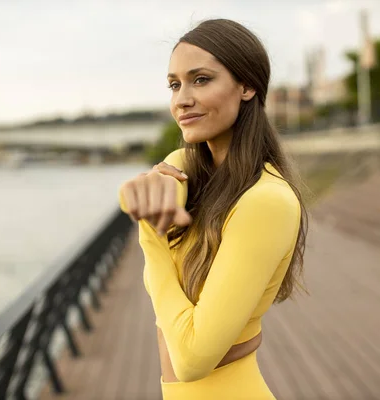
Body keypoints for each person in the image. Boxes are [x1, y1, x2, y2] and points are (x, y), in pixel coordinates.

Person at [118, 18, 308, 399]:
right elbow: (135, 193)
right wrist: (146, 191)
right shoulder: (190, 168)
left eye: (200, 79)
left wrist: (151, 236)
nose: (181, 99)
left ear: (247, 86)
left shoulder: (265, 200)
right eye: (175, 85)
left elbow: (191, 359)